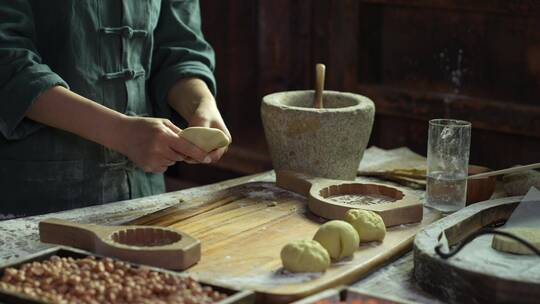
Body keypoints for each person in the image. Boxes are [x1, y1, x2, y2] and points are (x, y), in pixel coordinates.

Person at [0, 0, 231, 218]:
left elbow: (179, 47)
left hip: (143, 197)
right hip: (36, 199)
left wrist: (201, 105)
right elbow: (8, 59)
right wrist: (120, 132)